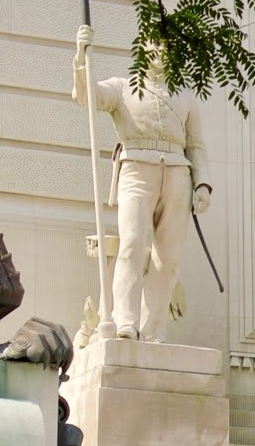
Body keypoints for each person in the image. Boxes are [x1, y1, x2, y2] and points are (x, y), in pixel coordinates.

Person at [72, 25, 214, 341]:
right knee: (132, 243)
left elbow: (197, 145)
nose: (161, 50)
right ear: (143, 48)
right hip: (136, 170)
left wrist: (203, 184)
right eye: (155, 43)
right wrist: (82, 59)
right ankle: (126, 320)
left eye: (166, 45)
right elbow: (89, 96)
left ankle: (155, 327)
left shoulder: (186, 95)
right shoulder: (123, 87)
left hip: (178, 174)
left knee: (168, 257)